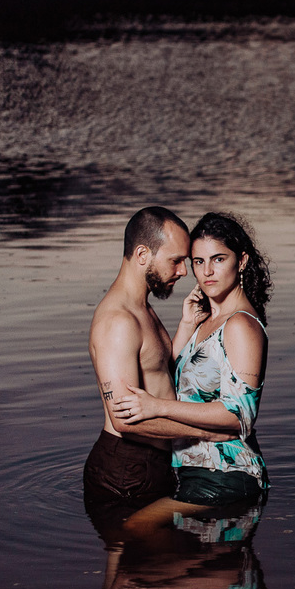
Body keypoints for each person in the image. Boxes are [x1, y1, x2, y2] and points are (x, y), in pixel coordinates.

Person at [113, 212, 272, 532]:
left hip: (228, 475)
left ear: (241, 261)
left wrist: (157, 408)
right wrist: (186, 325)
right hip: (193, 473)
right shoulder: (205, 320)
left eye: (218, 259)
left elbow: (240, 416)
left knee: (133, 531)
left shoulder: (240, 325)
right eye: (198, 261)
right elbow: (175, 382)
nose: (206, 271)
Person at [84, 206, 232, 533]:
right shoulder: (118, 321)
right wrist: (203, 432)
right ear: (142, 254)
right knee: (142, 578)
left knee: (141, 576)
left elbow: (156, 371)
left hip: (147, 465)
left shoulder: (141, 308)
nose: (183, 271)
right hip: (127, 471)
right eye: (176, 260)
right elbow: (125, 418)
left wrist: (185, 326)